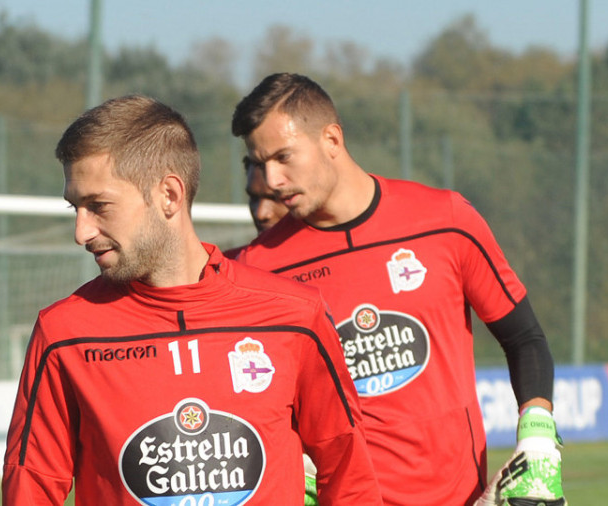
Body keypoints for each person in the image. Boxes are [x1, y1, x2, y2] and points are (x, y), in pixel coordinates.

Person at [2, 94, 384, 505]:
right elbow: (31, 487)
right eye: (75, 208)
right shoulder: (64, 333)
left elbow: (348, 473)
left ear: (169, 194)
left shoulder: (295, 314)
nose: (81, 231)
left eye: (98, 206)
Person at [231, 73, 566, 506]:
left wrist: (537, 435)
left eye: (283, 157)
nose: (272, 180)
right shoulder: (258, 268)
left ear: (331, 139)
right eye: (260, 163)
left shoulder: (445, 219)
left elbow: (524, 337)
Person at [224, 159, 289, 258]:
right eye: (254, 198)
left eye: (274, 198)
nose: (260, 214)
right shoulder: (228, 265)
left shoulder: (320, 263)